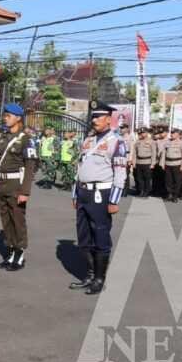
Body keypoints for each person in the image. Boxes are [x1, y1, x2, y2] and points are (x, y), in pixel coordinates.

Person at [70, 100, 127, 295]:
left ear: (108, 119)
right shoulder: (87, 141)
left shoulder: (116, 141)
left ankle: (99, 279)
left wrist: (114, 200)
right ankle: (90, 274)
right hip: (83, 192)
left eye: (98, 116)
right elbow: (79, 168)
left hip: (100, 194)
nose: (94, 120)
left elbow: (120, 172)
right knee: (83, 236)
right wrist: (75, 192)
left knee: (100, 236)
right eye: (93, 116)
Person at [0, 103, 37, 271]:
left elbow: (30, 166)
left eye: (9, 115)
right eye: (5, 115)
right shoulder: (2, 137)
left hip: (16, 186)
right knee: (6, 221)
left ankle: (19, 254)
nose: (5, 117)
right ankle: (9, 253)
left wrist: (25, 192)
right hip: (2, 184)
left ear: (18, 118)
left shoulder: (26, 139)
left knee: (18, 221)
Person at [161, 128, 182, 203]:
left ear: (177, 134)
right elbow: (164, 153)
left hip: (177, 164)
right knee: (168, 180)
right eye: (171, 133)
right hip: (168, 163)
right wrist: (162, 163)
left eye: (174, 133)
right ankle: (169, 194)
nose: (172, 134)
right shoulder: (167, 142)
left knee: (177, 181)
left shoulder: (181, 143)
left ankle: (175, 196)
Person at [131, 127, 156, 198]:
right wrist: (134, 163)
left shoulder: (151, 142)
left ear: (147, 133)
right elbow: (135, 153)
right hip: (139, 162)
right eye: (141, 133)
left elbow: (154, 153)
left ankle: (146, 192)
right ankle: (141, 191)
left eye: (143, 133)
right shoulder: (137, 142)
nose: (142, 134)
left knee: (147, 178)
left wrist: (153, 163)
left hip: (147, 162)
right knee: (139, 178)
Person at [120, 125, 135, 194]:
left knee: (126, 174)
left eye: (122, 128)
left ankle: (125, 190)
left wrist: (130, 159)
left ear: (126, 129)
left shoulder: (130, 137)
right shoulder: (120, 137)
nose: (121, 130)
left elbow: (132, 149)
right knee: (120, 174)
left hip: (126, 156)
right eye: (121, 128)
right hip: (120, 158)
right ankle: (121, 188)